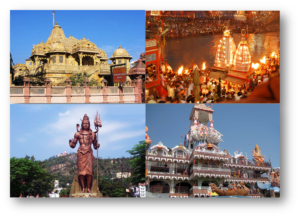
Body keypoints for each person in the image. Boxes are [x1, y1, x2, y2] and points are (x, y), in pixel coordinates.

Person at [69, 114, 100, 193]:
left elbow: (95, 146)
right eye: (84, 123)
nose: (85, 125)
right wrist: (71, 143)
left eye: (87, 123)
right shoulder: (77, 134)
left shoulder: (92, 134)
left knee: (89, 172)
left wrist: (97, 145)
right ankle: (83, 189)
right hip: (81, 153)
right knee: (81, 173)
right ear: (82, 124)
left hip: (89, 153)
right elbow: (74, 145)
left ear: (89, 124)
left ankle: (89, 189)